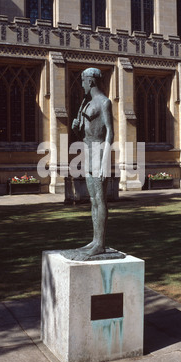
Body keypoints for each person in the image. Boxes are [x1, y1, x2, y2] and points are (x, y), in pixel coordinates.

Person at [70, 68, 114, 261]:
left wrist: (105, 161)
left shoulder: (104, 102)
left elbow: (110, 133)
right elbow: (85, 133)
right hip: (88, 151)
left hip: (99, 152)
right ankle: (95, 241)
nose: (82, 85)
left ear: (91, 81)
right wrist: (77, 129)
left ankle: (101, 244)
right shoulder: (86, 103)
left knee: (100, 198)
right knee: (93, 200)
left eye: (83, 81)